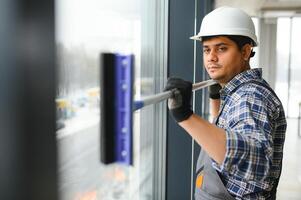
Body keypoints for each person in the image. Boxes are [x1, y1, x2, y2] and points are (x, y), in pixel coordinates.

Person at [164, 6, 287, 200]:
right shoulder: (238, 92)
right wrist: (216, 98)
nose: (211, 57)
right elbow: (230, 130)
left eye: (222, 48)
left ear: (245, 52)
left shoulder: (250, 96)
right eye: (206, 50)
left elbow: (256, 165)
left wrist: (185, 116)